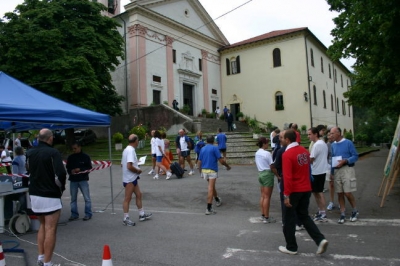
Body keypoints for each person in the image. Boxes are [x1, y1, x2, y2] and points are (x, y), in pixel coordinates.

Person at [279, 129, 328, 255]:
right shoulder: (304, 151)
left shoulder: (287, 154)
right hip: (306, 188)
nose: (281, 140)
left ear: (287, 140)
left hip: (294, 189)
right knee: (304, 216)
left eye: (282, 138)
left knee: (288, 219)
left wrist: (286, 194)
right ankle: (320, 239)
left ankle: (291, 246)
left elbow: (287, 177)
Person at [26, 128, 66, 266]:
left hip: (34, 194)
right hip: (49, 194)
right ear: (50, 138)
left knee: (42, 225)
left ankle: (41, 258)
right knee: (50, 228)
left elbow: (28, 170)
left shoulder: (30, 152)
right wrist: (60, 189)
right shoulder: (53, 152)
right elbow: (61, 173)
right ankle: (47, 263)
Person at [121, 134, 152, 226]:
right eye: (138, 140)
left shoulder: (127, 149)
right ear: (135, 141)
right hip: (130, 178)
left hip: (132, 177)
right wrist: (138, 170)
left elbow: (123, 164)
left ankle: (142, 214)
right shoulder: (130, 150)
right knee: (127, 198)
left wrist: (136, 163)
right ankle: (126, 218)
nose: (138, 142)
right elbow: (128, 166)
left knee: (139, 194)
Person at [330, 127, 359, 224]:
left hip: (347, 169)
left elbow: (355, 155)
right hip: (337, 170)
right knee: (339, 193)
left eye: (332, 133)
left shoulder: (348, 143)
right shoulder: (333, 145)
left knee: (347, 192)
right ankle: (342, 212)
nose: (331, 135)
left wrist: (346, 160)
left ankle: (355, 210)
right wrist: (332, 172)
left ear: (338, 133)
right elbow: (332, 158)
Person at [197, 135, 231, 215]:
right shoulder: (215, 148)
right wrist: (227, 166)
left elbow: (199, 161)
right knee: (210, 188)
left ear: (206, 141)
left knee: (211, 186)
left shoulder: (203, 149)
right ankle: (209, 208)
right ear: (213, 141)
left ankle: (217, 199)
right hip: (212, 170)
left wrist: (200, 172)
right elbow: (221, 161)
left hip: (204, 170)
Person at [66, 142, 93, 221]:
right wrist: (71, 171)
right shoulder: (70, 157)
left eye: (75, 148)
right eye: (73, 149)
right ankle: (74, 214)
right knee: (73, 198)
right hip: (73, 180)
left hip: (83, 179)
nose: (74, 150)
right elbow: (68, 167)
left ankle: (88, 213)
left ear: (79, 147)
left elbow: (89, 168)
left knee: (87, 198)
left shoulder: (85, 157)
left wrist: (81, 169)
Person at [307, 127, 329, 222]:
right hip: (321, 170)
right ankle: (321, 211)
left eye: (310, 134)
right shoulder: (322, 143)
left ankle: (323, 212)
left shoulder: (317, 145)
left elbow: (311, 158)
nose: (308, 136)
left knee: (319, 192)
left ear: (315, 134)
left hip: (317, 171)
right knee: (316, 192)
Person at [255, 137, 276, 223]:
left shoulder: (257, 153)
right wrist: (277, 175)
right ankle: (266, 217)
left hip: (260, 173)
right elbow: (272, 166)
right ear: (264, 144)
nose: (268, 144)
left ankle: (263, 214)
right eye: (267, 143)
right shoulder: (267, 153)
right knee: (267, 197)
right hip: (267, 174)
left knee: (263, 195)